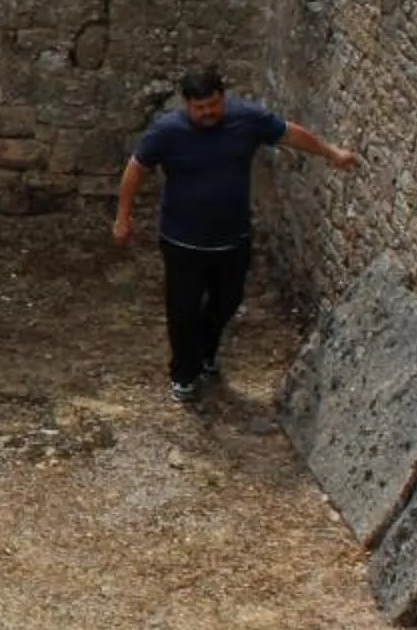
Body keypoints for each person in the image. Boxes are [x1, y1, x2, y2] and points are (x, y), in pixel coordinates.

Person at [113, 64, 359, 403]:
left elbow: (288, 133)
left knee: (227, 301)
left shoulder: (247, 119)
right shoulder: (166, 132)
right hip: (182, 240)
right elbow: (136, 169)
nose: (208, 113)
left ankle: (207, 352)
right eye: (200, 108)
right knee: (183, 309)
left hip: (232, 237)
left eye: (213, 105)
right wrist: (122, 217)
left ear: (222, 98)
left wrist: (331, 152)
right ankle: (184, 373)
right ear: (186, 104)